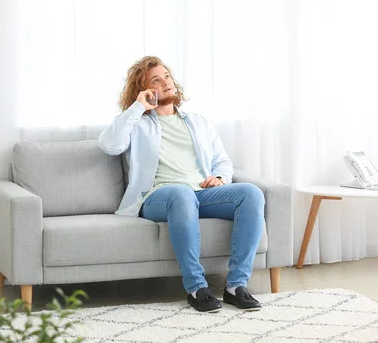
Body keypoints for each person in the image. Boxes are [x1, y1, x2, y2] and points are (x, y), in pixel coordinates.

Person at [98, 56, 265, 313]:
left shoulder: (197, 121)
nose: (165, 82)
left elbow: (223, 161)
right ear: (143, 90)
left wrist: (220, 178)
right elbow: (109, 145)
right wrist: (137, 107)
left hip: (200, 194)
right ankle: (197, 287)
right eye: (156, 79)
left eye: (167, 76)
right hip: (159, 197)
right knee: (181, 194)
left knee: (251, 194)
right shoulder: (138, 123)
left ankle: (236, 286)